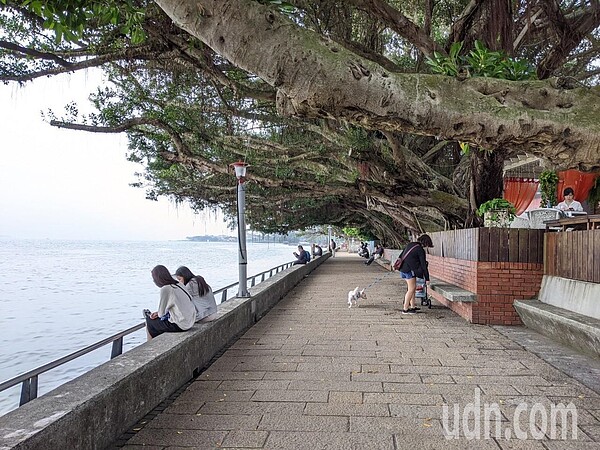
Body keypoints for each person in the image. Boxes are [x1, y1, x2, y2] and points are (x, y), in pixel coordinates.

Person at [144, 265, 196, 340]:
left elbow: (161, 313)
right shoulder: (179, 284)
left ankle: (149, 345)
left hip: (182, 324)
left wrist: (156, 314)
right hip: (191, 320)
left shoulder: (166, 289)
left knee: (149, 322)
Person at [398, 234, 434, 315]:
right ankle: (405, 309)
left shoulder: (411, 244)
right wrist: (427, 279)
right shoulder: (420, 250)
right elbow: (423, 265)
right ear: (426, 243)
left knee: (412, 289)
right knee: (411, 290)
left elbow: (401, 256)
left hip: (403, 269)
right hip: (409, 270)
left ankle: (412, 306)